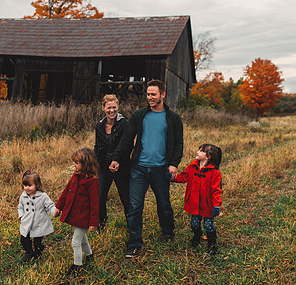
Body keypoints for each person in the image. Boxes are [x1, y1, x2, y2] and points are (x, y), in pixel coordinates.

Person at [109, 79, 184, 258]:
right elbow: (127, 140)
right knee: (135, 206)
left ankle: (168, 232)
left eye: (153, 94)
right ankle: (134, 243)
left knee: (164, 204)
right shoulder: (139, 115)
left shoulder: (173, 118)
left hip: (161, 169)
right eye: (148, 94)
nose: (150, 97)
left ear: (163, 95)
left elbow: (179, 144)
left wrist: (174, 164)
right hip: (139, 169)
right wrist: (117, 159)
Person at [170, 143, 222, 255]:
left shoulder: (214, 173)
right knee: (194, 224)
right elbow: (183, 177)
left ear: (208, 156)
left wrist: (216, 205)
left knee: (208, 225)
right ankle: (197, 237)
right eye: (199, 150)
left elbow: (216, 190)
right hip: (194, 203)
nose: (197, 152)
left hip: (208, 204)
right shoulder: (192, 167)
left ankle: (212, 244)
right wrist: (172, 178)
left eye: (201, 151)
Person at [56, 147, 100, 276]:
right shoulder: (76, 175)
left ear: (85, 164)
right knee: (82, 239)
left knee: (75, 242)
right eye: (74, 162)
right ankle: (89, 255)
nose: (74, 165)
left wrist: (93, 222)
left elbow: (95, 203)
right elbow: (66, 191)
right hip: (75, 214)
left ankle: (77, 266)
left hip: (84, 216)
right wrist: (59, 206)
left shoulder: (92, 181)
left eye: (76, 163)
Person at [94, 94, 130, 230]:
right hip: (104, 167)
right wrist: (95, 165)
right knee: (99, 196)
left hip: (121, 167)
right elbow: (97, 147)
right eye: (109, 108)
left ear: (118, 107)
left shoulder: (124, 123)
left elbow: (127, 145)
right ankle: (101, 225)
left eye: (114, 107)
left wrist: (118, 161)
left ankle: (131, 226)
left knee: (125, 199)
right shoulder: (100, 125)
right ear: (103, 108)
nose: (112, 111)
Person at [18, 170, 60, 262]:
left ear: (37, 185)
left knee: (37, 241)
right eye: (25, 185)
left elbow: (50, 206)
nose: (27, 188)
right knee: (24, 239)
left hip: (39, 223)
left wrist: (55, 212)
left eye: (30, 185)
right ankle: (29, 252)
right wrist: (21, 216)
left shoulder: (42, 196)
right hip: (27, 222)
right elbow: (20, 206)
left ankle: (38, 252)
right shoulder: (23, 196)